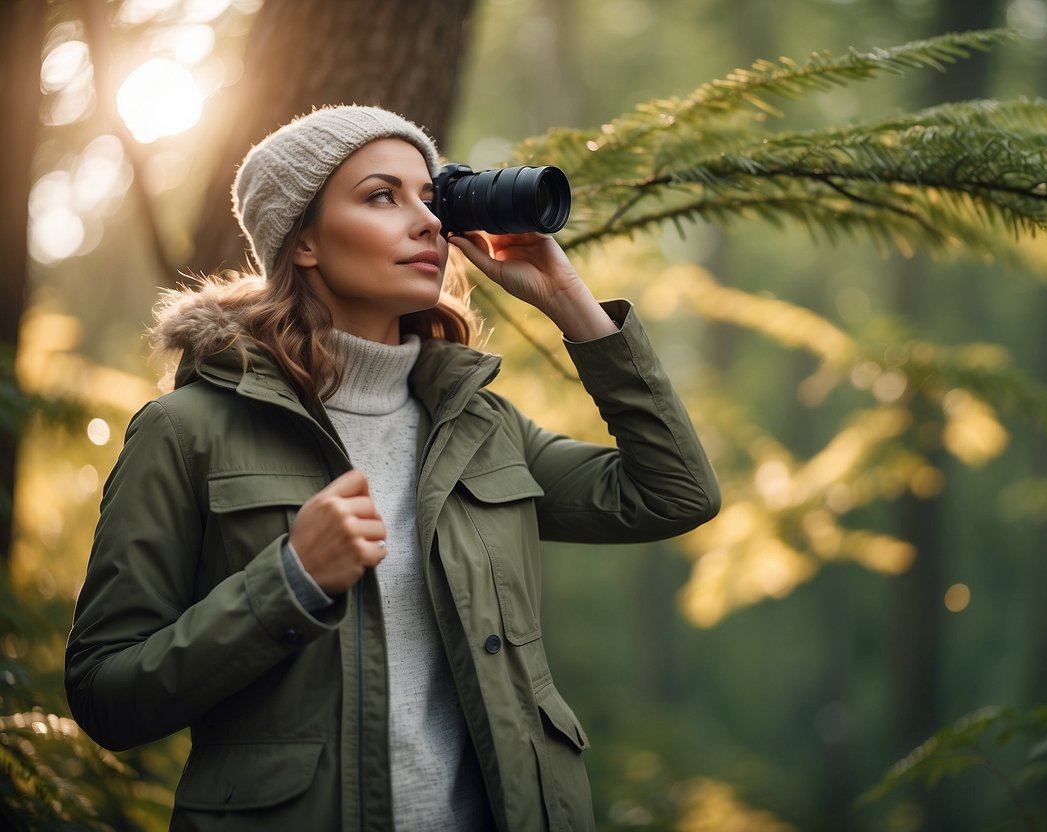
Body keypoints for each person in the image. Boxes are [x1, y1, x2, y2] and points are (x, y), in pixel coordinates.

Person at [63, 105, 721, 831]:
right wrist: (286, 585)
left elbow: (673, 494)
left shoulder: (477, 426)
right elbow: (105, 696)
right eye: (382, 196)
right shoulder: (186, 432)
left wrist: (571, 305)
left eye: (431, 199)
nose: (429, 223)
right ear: (303, 241)